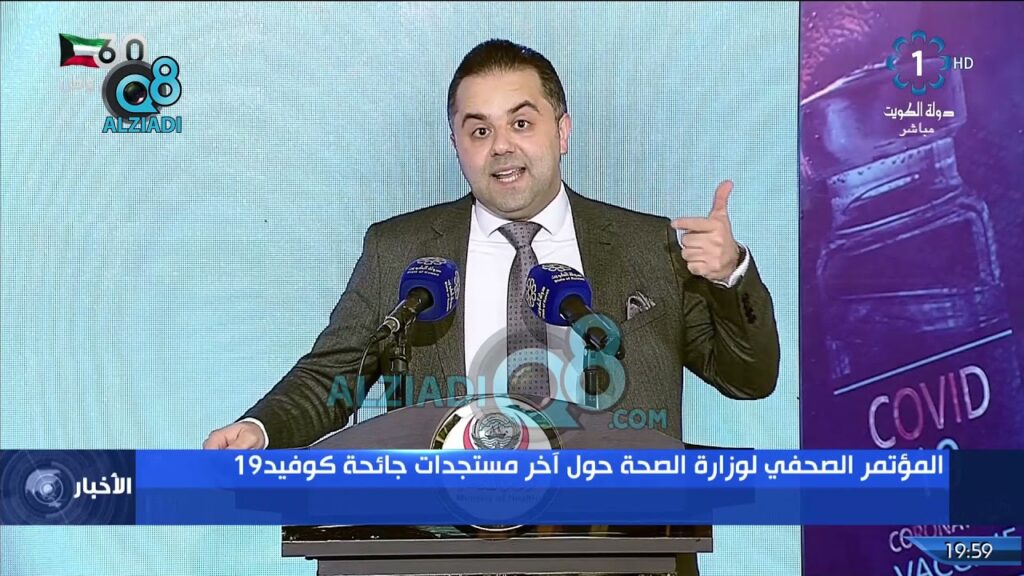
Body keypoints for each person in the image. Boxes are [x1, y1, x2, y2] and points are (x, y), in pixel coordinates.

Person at [204, 38, 780, 575]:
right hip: (443, 555)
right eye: (478, 130)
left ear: (562, 131)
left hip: (622, 554)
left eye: (521, 123)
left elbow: (748, 378)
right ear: (456, 144)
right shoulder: (399, 249)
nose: (501, 145)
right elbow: (333, 375)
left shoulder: (647, 246)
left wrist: (730, 274)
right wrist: (260, 429)